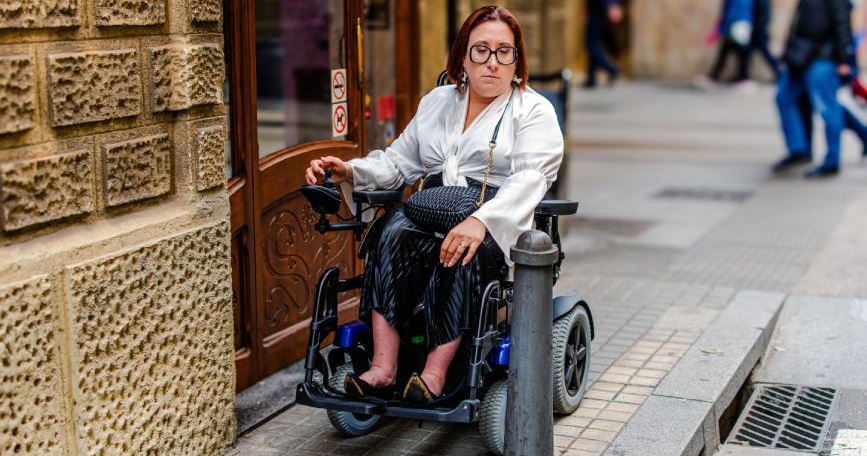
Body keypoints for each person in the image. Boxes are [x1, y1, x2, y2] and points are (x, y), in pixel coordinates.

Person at [304, 6, 562, 405]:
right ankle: (383, 368)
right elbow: (398, 163)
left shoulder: (533, 110)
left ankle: (434, 375)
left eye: (503, 52)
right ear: (462, 57)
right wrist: (349, 171)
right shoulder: (439, 102)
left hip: (492, 213)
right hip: (431, 205)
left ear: (517, 60)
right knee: (390, 235)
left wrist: (482, 221)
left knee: (463, 249)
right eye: (481, 50)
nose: (492, 63)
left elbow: (530, 179)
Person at [773, 0, 853, 178]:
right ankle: (798, 149)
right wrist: (787, 54)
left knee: (828, 109)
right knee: (785, 97)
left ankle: (832, 160)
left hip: (822, 58)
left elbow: (842, 23)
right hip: (800, 56)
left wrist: (843, 59)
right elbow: (796, 25)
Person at [697, 0, 755, 88]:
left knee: (739, 53)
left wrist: (722, 29)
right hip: (742, 24)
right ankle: (714, 77)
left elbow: (732, 12)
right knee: (731, 52)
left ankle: (742, 79)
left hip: (737, 26)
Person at [583, 0, 623, 88]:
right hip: (598, 13)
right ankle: (591, 78)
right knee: (594, 44)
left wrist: (611, 5)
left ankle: (611, 69)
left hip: (598, 14)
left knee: (591, 45)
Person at [747, 0, 781, 80]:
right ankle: (742, 75)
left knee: (764, 51)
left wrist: (757, 27)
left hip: (758, 29)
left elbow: (763, 14)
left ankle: (779, 71)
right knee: (746, 52)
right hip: (757, 28)